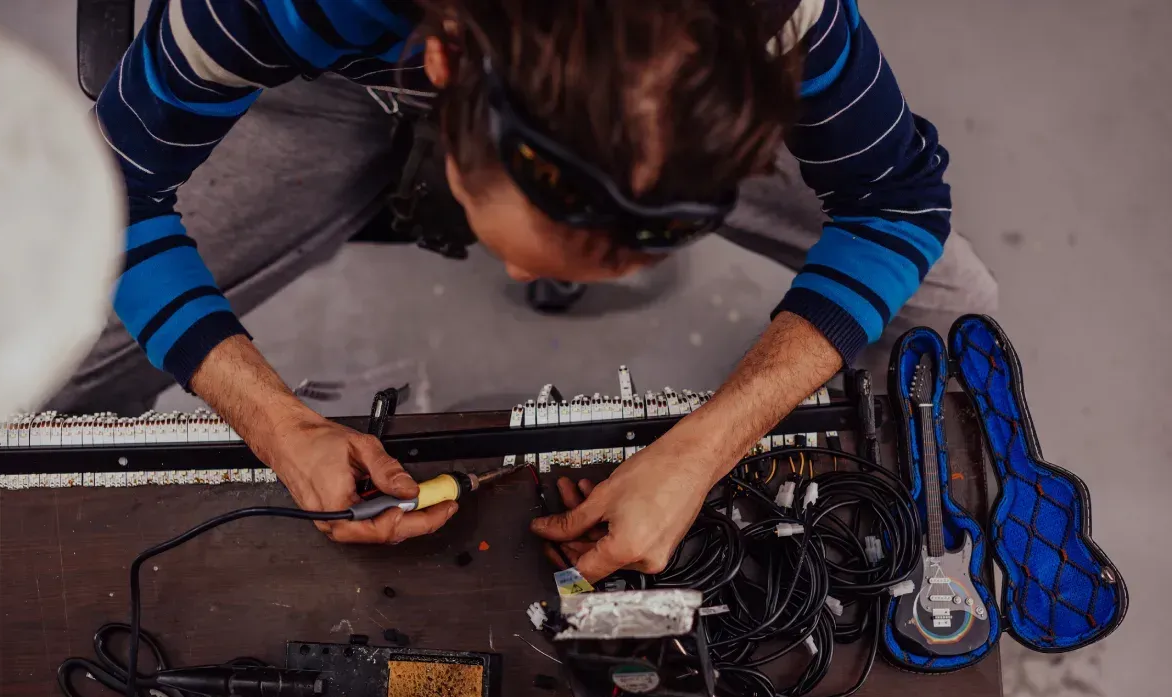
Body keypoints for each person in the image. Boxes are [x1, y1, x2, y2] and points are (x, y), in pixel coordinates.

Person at [71, 0, 995, 582]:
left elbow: (896, 204)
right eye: (518, 247)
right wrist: (275, 418)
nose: (514, 280)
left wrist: (709, 447)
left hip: (672, 73)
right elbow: (104, 193)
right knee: (44, 341)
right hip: (328, 78)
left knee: (958, 314)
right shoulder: (276, 6)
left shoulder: (774, 15)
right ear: (441, 67)